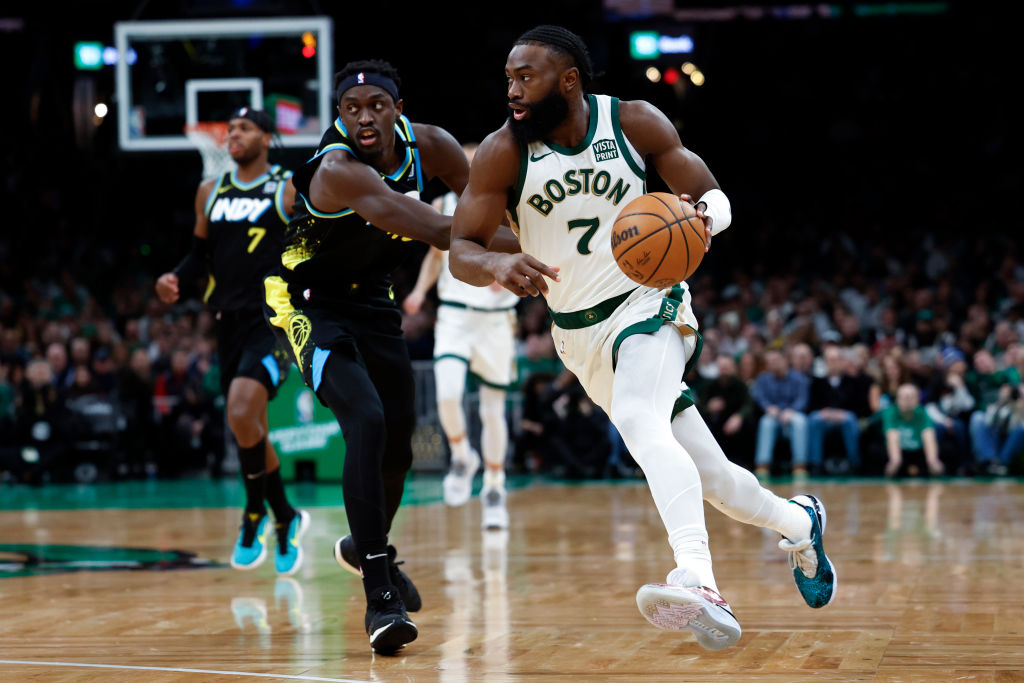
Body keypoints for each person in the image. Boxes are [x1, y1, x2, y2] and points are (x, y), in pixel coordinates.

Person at [449, 25, 836, 651]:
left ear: (569, 79)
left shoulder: (632, 122)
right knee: (715, 480)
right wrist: (493, 265)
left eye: (527, 76)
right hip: (578, 334)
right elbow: (460, 248)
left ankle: (700, 580)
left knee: (635, 417)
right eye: (509, 78)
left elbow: (712, 193)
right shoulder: (502, 151)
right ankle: (801, 522)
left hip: (650, 302)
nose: (514, 90)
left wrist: (704, 218)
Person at [262, 59, 516, 655]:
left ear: (398, 109)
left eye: (377, 105)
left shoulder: (432, 145)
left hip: (373, 298)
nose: (364, 117)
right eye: (351, 109)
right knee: (366, 420)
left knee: (399, 442)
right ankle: (380, 593)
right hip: (307, 301)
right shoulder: (336, 169)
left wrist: (552, 239)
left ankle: (364, 543)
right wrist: (533, 253)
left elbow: (486, 204)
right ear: (338, 116)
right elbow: (436, 227)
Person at [156, 107, 310, 575]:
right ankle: (285, 515)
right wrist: (174, 279)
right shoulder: (212, 190)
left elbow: (307, 247)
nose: (234, 135)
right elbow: (199, 257)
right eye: (232, 129)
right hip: (226, 323)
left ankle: (253, 512)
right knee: (249, 427)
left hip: (272, 320)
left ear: (267, 136)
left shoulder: (286, 186)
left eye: (244, 128)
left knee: (242, 411)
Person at [402, 143, 519, 530]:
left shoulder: (510, 205)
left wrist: (512, 273)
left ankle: (495, 487)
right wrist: (420, 291)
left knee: (491, 409)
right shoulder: (442, 204)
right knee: (447, 394)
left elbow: (528, 249)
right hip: (454, 315)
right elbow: (435, 257)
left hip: (496, 320)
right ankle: (460, 456)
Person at [752, 349, 810, 478]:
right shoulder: (763, 379)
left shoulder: (799, 378)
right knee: (766, 422)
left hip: (792, 413)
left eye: (776, 360)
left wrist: (792, 410)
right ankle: (763, 464)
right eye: (770, 362)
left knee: (800, 421)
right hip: (774, 415)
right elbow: (760, 398)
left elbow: (802, 399)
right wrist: (768, 407)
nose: (773, 364)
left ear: (785, 361)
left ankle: (799, 465)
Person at [881, 383, 944, 477]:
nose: (908, 400)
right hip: (898, 452)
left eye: (911, 397)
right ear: (897, 399)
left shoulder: (923, 413)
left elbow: (929, 438)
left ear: (918, 399)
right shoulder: (890, 413)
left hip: (919, 453)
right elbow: (892, 438)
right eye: (904, 397)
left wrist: (933, 461)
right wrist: (895, 463)